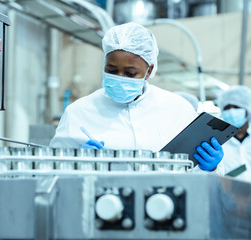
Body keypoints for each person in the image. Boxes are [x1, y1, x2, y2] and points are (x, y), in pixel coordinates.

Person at [50, 22, 224, 173]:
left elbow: (198, 179)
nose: (119, 77)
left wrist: (211, 168)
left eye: (130, 73)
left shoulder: (177, 109)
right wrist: (75, 164)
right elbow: (51, 171)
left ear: (149, 71)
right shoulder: (79, 112)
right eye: (111, 70)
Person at [218, 86, 251, 181]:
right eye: (227, 108)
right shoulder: (218, 142)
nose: (231, 111)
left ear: (247, 110)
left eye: (236, 107)